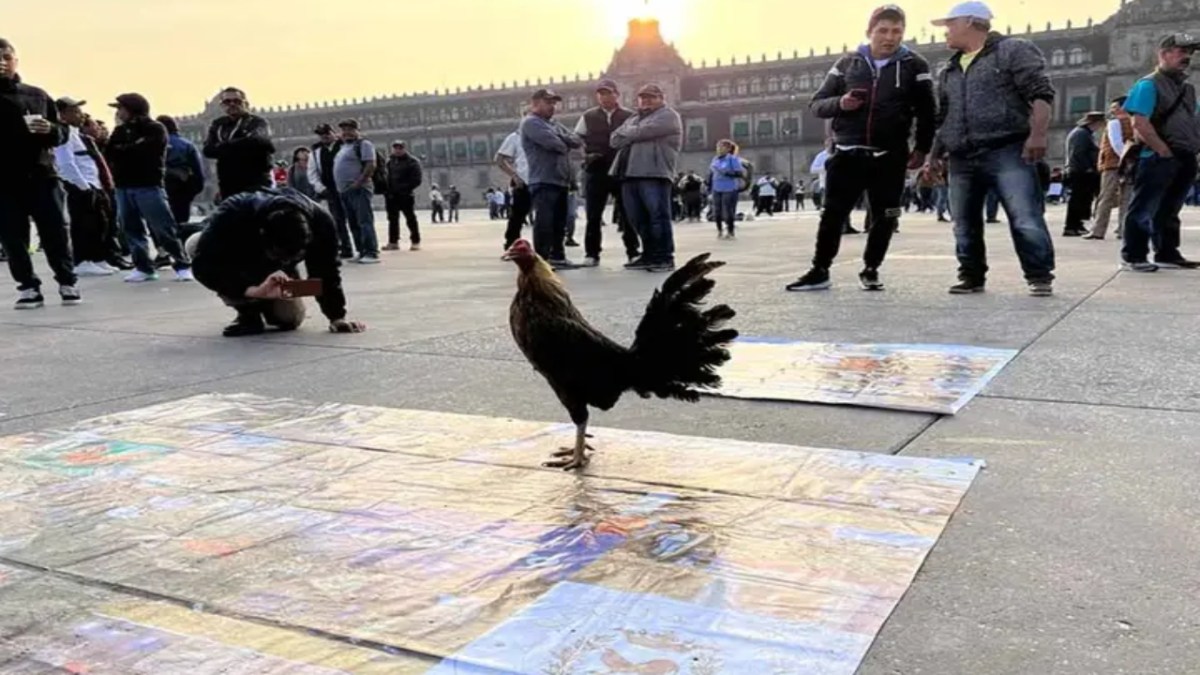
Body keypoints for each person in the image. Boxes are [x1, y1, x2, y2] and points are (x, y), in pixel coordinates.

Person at [788, 4, 936, 292]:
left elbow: (928, 111)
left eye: (896, 31)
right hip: (847, 153)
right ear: (870, 32)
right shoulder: (846, 64)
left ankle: (871, 268)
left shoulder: (915, 65)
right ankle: (820, 270)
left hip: (890, 155)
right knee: (832, 214)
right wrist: (841, 103)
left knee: (887, 216)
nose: (889, 37)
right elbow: (816, 104)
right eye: (883, 30)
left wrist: (922, 148)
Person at [928, 1, 1057, 297]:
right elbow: (943, 117)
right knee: (963, 222)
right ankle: (971, 276)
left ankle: (1039, 275)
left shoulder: (1012, 50)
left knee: (1025, 217)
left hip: (1007, 148)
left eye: (950, 24)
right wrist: (935, 154)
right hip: (961, 155)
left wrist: (1037, 135)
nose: (945, 32)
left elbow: (1041, 93)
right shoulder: (949, 69)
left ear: (971, 22)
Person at [188, 188, 366, 338]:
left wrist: (336, 317)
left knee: (289, 319)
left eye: (292, 257)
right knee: (195, 244)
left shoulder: (322, 223)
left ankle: (267, 298)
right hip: (239, 266)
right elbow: (203, 267)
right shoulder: (234, 211)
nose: (284, 260)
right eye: (278, 255)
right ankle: (247, 311)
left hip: (278, 280)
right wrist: (252, 291)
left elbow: (327, 272)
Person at [0, 38, 80, 308]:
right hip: (4, 181)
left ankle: (67, 281)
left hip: (42, 175)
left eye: (6, 57)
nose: (2, 62)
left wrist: (51, 130)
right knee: (13, 236)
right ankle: (28, 286)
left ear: (15, 60)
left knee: (55, 231)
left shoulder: (36, 95)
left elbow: (63, 132)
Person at [1120, 33, 1200, 271]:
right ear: (1164, 54)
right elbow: (1139, 123)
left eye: (1190, 53)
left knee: (1170, 208)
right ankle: (1134, 255)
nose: (1187, 57)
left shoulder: (1187, 90)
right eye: (1181, 51)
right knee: (1144, 207)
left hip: (1185, 155)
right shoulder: (1148, 84)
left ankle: (1167, 253)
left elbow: (1192, 119)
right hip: (1158, 155)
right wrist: (1162, 150)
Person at [105, 93, 193, 283]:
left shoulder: (155, 128)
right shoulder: (120, 131)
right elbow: (110, 152)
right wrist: (129, 148)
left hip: (148, 185)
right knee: (131, 228)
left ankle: (182, 264)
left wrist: (125, 150)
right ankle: (143, 267)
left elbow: (145, 152)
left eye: (121, 108)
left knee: (163, 227)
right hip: (123, 186)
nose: (118, 113)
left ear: (132, 108)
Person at [612, 84, 683, 273]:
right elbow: (614, 140)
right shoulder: (635, 118)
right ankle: (649, 254)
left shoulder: (668, 115)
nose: (646, 101)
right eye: (642, 98)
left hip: (654, 172)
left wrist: (630, 131)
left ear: (661, 98)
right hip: (629, 173)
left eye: (651, 97)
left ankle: (664, 256)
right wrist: (634, 131)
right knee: (638, 218)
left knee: (657, 216)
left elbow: (642, 132)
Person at [574, 79, 637, 266]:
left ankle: (633, 251)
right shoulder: (588, 115)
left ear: (617, 94)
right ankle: (592, 253)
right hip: (596, 169)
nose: (604, 97)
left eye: (608, 93)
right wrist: (584, 155)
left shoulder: (630, 115)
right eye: (601, 94)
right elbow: (578, 138)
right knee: (593, 214)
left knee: (627, 213)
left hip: (621, 169)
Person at [520, 88, 584, 268]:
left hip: (560, 179)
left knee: (559, 222)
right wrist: (564, 139)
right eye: (548, 102)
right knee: (544, 222)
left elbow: (576, 140)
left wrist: (562, 137)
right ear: (535, 104)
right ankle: (541, 259)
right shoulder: (531, 123)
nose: (552, 107)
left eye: (554, 103)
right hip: (543, 179)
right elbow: (556, 144)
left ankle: (558, 256)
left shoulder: (553, 124)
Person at [54, 97, 115, 277]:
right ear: (62, 114)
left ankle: (97, 258)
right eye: (75, 111)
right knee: (84, 225)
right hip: (80, 186)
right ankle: (82, 260)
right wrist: (83, 186)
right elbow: (66, 164)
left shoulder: (76, 134)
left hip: (92, 184)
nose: (80, 115)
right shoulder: (63, 135)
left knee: (99, 224)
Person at [203, 87, 273, 201]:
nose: (232, 104)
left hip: (256, 183)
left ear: (246, 103)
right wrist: (242, 144)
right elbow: (208, 150)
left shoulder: (258, 122)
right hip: (228, 184)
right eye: (227, 102)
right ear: (222, 105)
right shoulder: (218, 124)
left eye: (237, 101)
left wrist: (222, 146)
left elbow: (259, 142)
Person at [331, 119, 379, 264]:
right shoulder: (343, 147)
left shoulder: (364, 144)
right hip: (344, 191)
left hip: (359, 189)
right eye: (344, 130)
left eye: (350, 129)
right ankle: (361, 251)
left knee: (364, 221)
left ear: (357, 130)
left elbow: (370, 164)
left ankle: (371, 252)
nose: (346, 132)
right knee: (353, 222)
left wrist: (359, 182)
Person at [1087, 96, 1134, 241]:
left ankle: (1098, 230)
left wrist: (1122, 159)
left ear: (1123, 107)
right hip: (1131, 164)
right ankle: (1124, 230)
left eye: (1114, 107)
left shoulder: (1114, 123)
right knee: (1127, 198)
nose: (1112, 110)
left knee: (1105, 197)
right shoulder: (1134, 122)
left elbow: (1116, 144)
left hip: (1113, 164)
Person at [309, 124, 354, 259]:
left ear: (334, 133)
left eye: (327, 133)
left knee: (355, 219)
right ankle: (346, 248)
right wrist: (321, 188)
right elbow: (312, 173)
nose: (325, 136)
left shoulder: (346, 146)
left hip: (349, 188)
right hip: (331, 191)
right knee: (338, 221)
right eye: (321, 134)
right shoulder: (316, 153)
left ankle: (365, 247)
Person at [157, 114, 206, 229]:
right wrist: (192, 191)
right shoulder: (187, 145)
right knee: (181, 225)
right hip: (181, 190)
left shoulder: (153, 144)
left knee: (161, 226)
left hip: (158, 190)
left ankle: (163, 246)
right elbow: (198, 172)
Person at [1063, 112, 1105, 237]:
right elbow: (1079, 153)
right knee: (1077, 200)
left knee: (1082, 200)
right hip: (1080, 172)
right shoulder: (1082, 134)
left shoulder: (1084, 133)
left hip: (1080, 171)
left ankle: (1077, 224)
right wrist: (1088, 168)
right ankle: (1071, 226)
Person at [383, 140, 423, 250]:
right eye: (395, 148)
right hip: (391, 195)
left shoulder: (412, 162)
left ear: (404, 149)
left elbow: (417, 180)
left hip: (406, 195)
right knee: (392, 220)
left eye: (400, 148)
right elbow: (386, 177)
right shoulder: (389, 162)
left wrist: (405, 189)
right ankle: (393, 242)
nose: (398, 150)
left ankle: (415, 241)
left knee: (410, 218)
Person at [497, 131, 532, 251]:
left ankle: (551, 248)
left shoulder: (547, 132)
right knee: (517, 216)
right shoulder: (515, 137)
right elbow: (499, 159)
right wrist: (515, 176)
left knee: (548, 216)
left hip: (545, 180)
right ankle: (512, 245)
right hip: (524, 182)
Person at [709, 139, 746, 239]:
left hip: (729, 187)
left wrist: (727, 173)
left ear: (728, 149)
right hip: (716, 187)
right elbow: (712, 174)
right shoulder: (715, 159)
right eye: (718, 147)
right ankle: (719, 230)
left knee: (727, 210)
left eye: (722, 147)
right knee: (716, 211)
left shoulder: (732, 159)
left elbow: (739, 173)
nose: (719, 149)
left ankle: (730, 231)